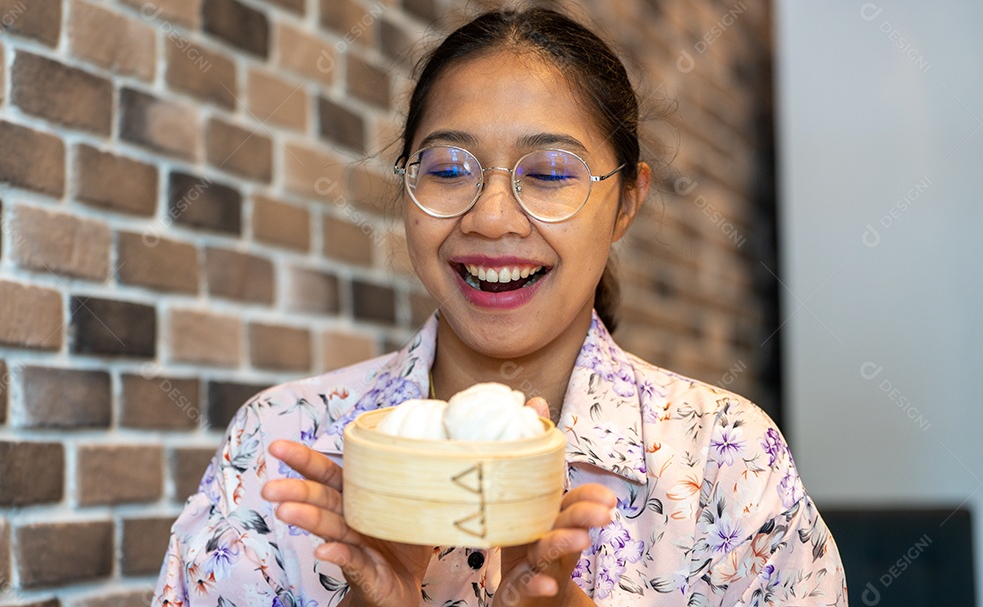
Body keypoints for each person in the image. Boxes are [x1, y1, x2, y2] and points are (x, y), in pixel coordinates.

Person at [153, 7, 847, 607]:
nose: (490, 218)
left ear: (626, 203)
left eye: (549, 173)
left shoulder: (728, 461)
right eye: (449, 169)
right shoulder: (280, 448)